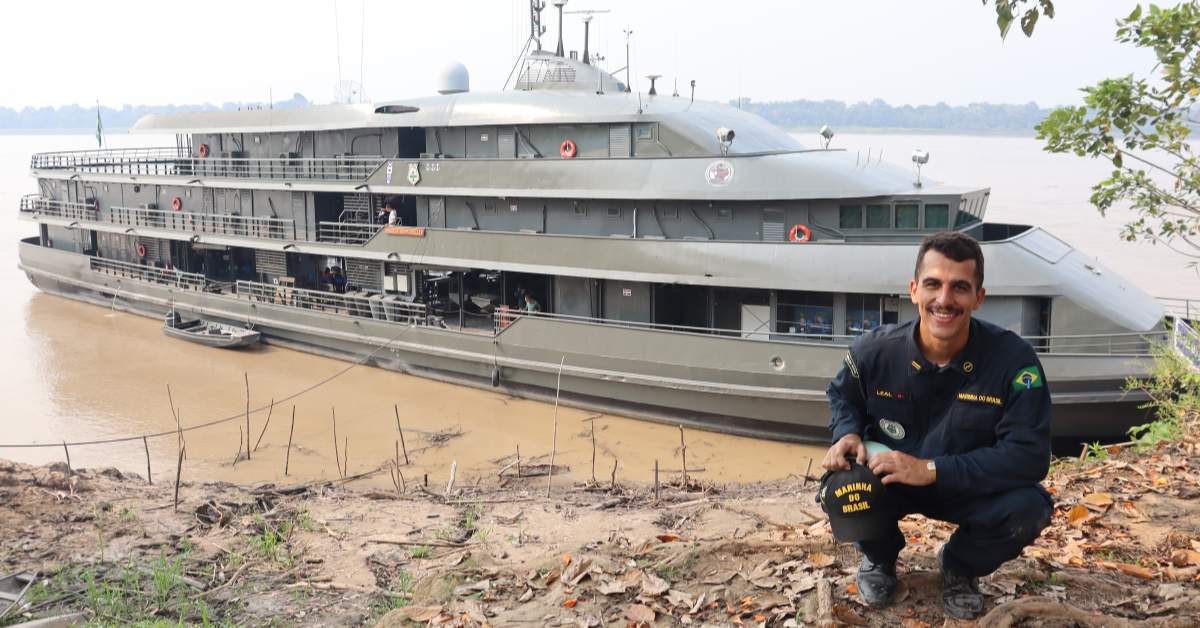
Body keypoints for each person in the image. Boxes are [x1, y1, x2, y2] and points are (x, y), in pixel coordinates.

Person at [820, 231, 1053, 620]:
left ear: (979, 297)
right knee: (843, 483)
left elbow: (1029, 456)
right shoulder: (873, 352)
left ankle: (960, 565)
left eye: (959, 287)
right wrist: (847, 432)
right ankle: (879, 558)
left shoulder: (1014, 361)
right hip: (891, 479)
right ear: (914, 290)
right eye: (933, 284)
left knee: (1029, 508)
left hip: (967, 484)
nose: (944, 299)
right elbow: (843, 396)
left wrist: (931, 469)